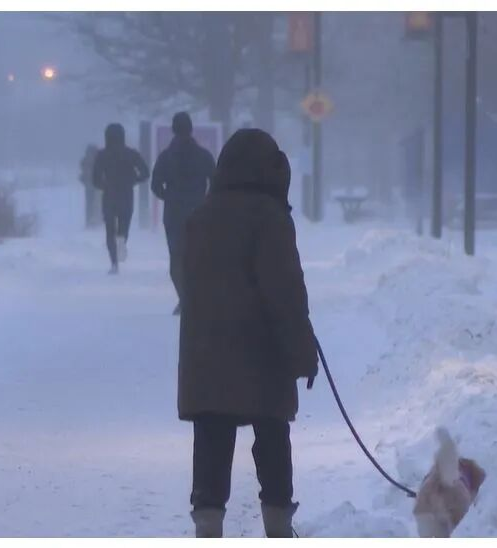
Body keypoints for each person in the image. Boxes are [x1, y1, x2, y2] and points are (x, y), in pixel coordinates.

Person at [177, 129, 318, 538]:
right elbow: (285, 292)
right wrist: (301, 352)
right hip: (262, 356)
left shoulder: (200, 217)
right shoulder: (269, 218)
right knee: (272, 439)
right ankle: (278, 527)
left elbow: (189, 284)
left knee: (211, 442)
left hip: (206, 354)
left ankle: (207, 526)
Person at [150, 112, 216, 314]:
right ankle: (196, 299)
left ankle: (185, 299)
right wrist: (206, 199)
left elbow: (155, 185)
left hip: (174, 214)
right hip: (199, 212)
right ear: (191, 129)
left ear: (173, 129)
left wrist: (169, 196)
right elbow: (216, 181)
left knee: (176, 258)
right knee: (197, 256)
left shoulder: (166, 157)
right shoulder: (203, 155)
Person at [92, 123, 149, 274]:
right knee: (124, 226)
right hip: (126, 194)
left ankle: (114, 263)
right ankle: (122, 240)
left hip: (109, 195)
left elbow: (95, 179)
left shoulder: (102, 155)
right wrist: (134, 180)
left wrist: (104, 185)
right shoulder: (131, 154)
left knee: (110, 230)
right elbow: (145, 172)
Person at [79, 144, 102, 229]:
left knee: (91, 203)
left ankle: (90, 221)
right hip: (95, 185)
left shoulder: (85, 161)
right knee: (96, 203)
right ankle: (94, 220)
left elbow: (83, 171)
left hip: (91, 185)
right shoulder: (98, 160)